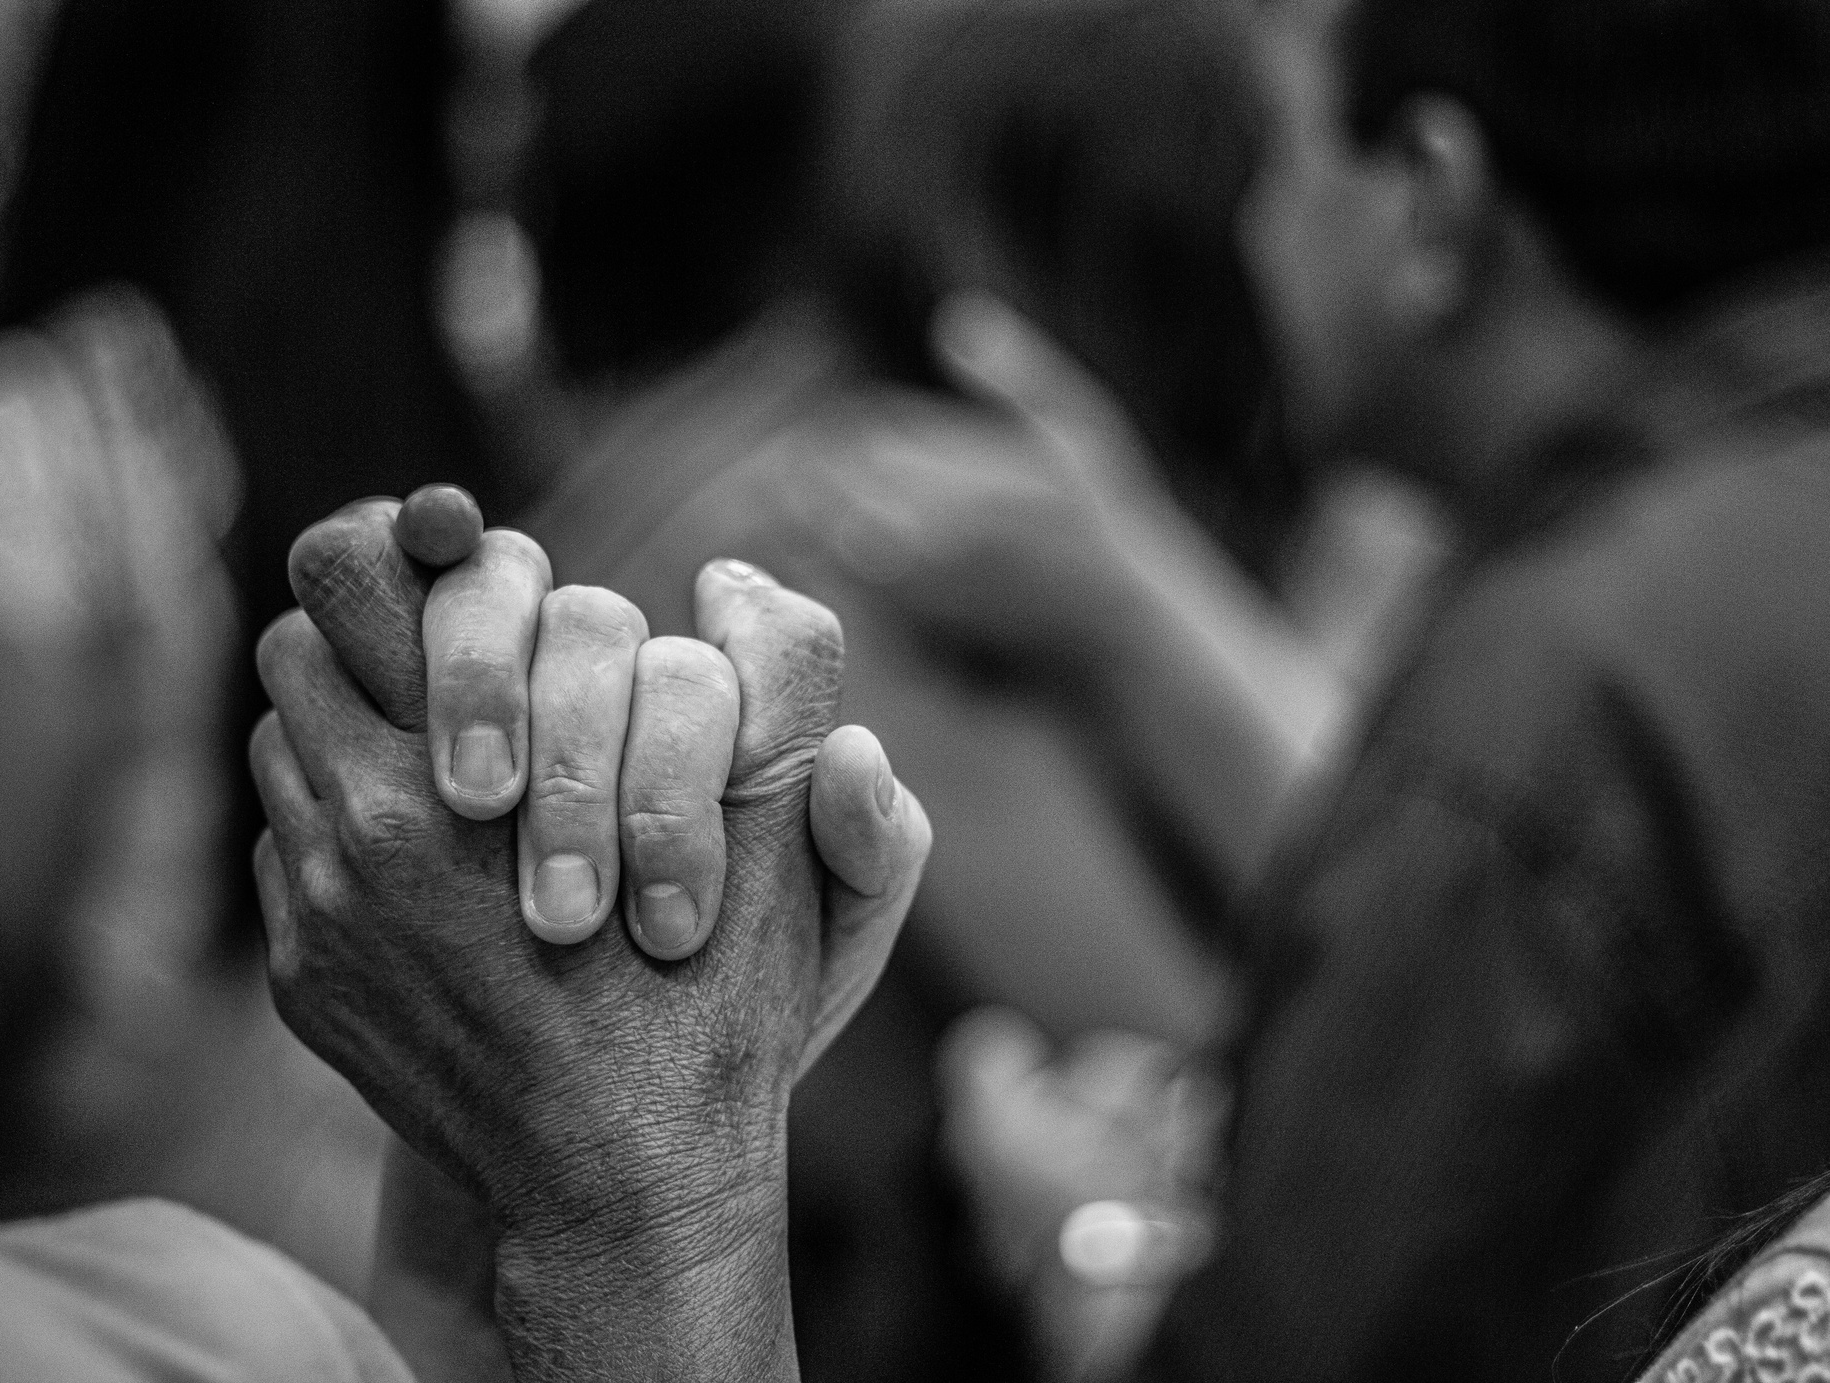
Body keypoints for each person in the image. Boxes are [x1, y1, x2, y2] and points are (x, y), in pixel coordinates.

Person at [256, 0, 1830, 1376]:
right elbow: (1281, 1046)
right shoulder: (853, 550)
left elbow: (1387, 972)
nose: (1269, 235)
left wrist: (1139, 600)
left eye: (1285, 163)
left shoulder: (1523, 616)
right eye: (1251, 178)